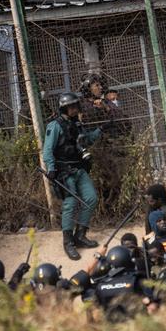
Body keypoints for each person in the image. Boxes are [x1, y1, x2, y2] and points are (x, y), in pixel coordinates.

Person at [42, 92, 102, 260]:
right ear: (64, 108)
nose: (75, 109)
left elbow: (85, 141)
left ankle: (80, 235)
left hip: (79, 168)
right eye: (71, 106)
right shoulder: (54, 126)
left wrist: (100, 131)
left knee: (91, 198)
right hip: (64, 171)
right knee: (70, 203)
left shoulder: (77, 124)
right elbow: (47, 150)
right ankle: (68, 242)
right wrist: (51, 168)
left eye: (76, 105)